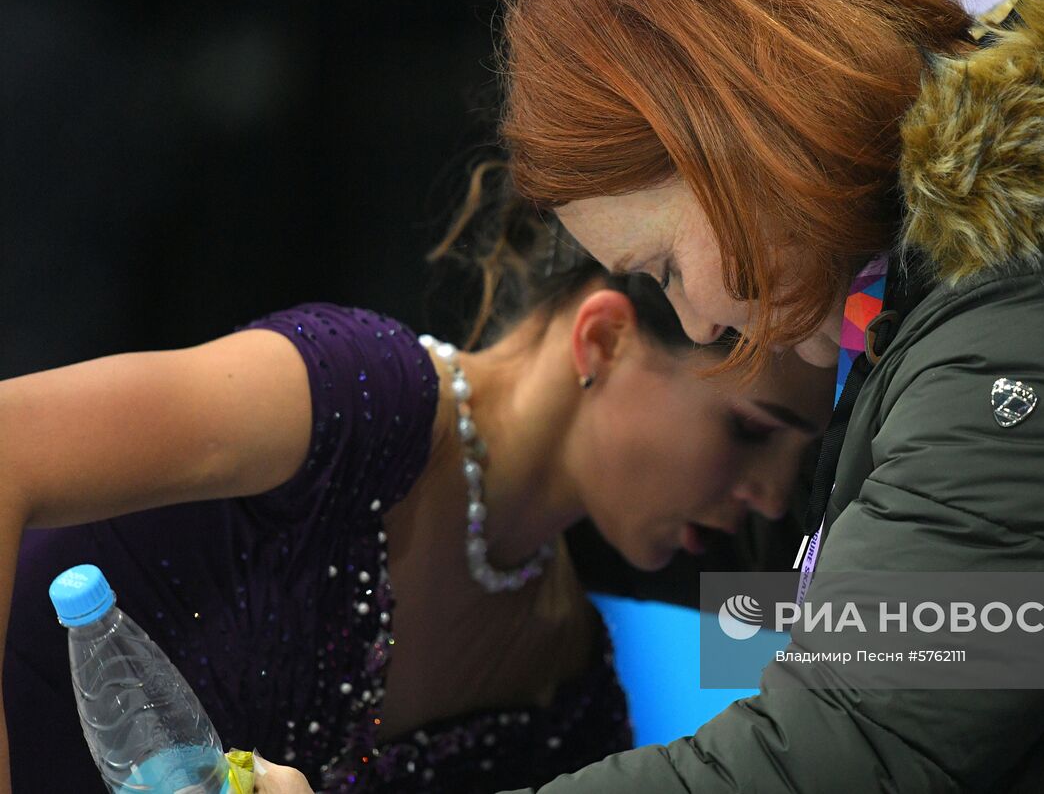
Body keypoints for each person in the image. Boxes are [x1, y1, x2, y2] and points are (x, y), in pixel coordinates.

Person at [188, 0, 1044, 791]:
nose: (705, 320)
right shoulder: (1042, 269)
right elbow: (996, 629)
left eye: (666, 263)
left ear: (734, 132)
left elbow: (845, 739)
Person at [0, 166, 833, 794]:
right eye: (749, 431)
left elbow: (936, 637)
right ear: (604, 340)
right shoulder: (364, 397)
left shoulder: (567, 687)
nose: (765, 491)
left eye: (795, 472)